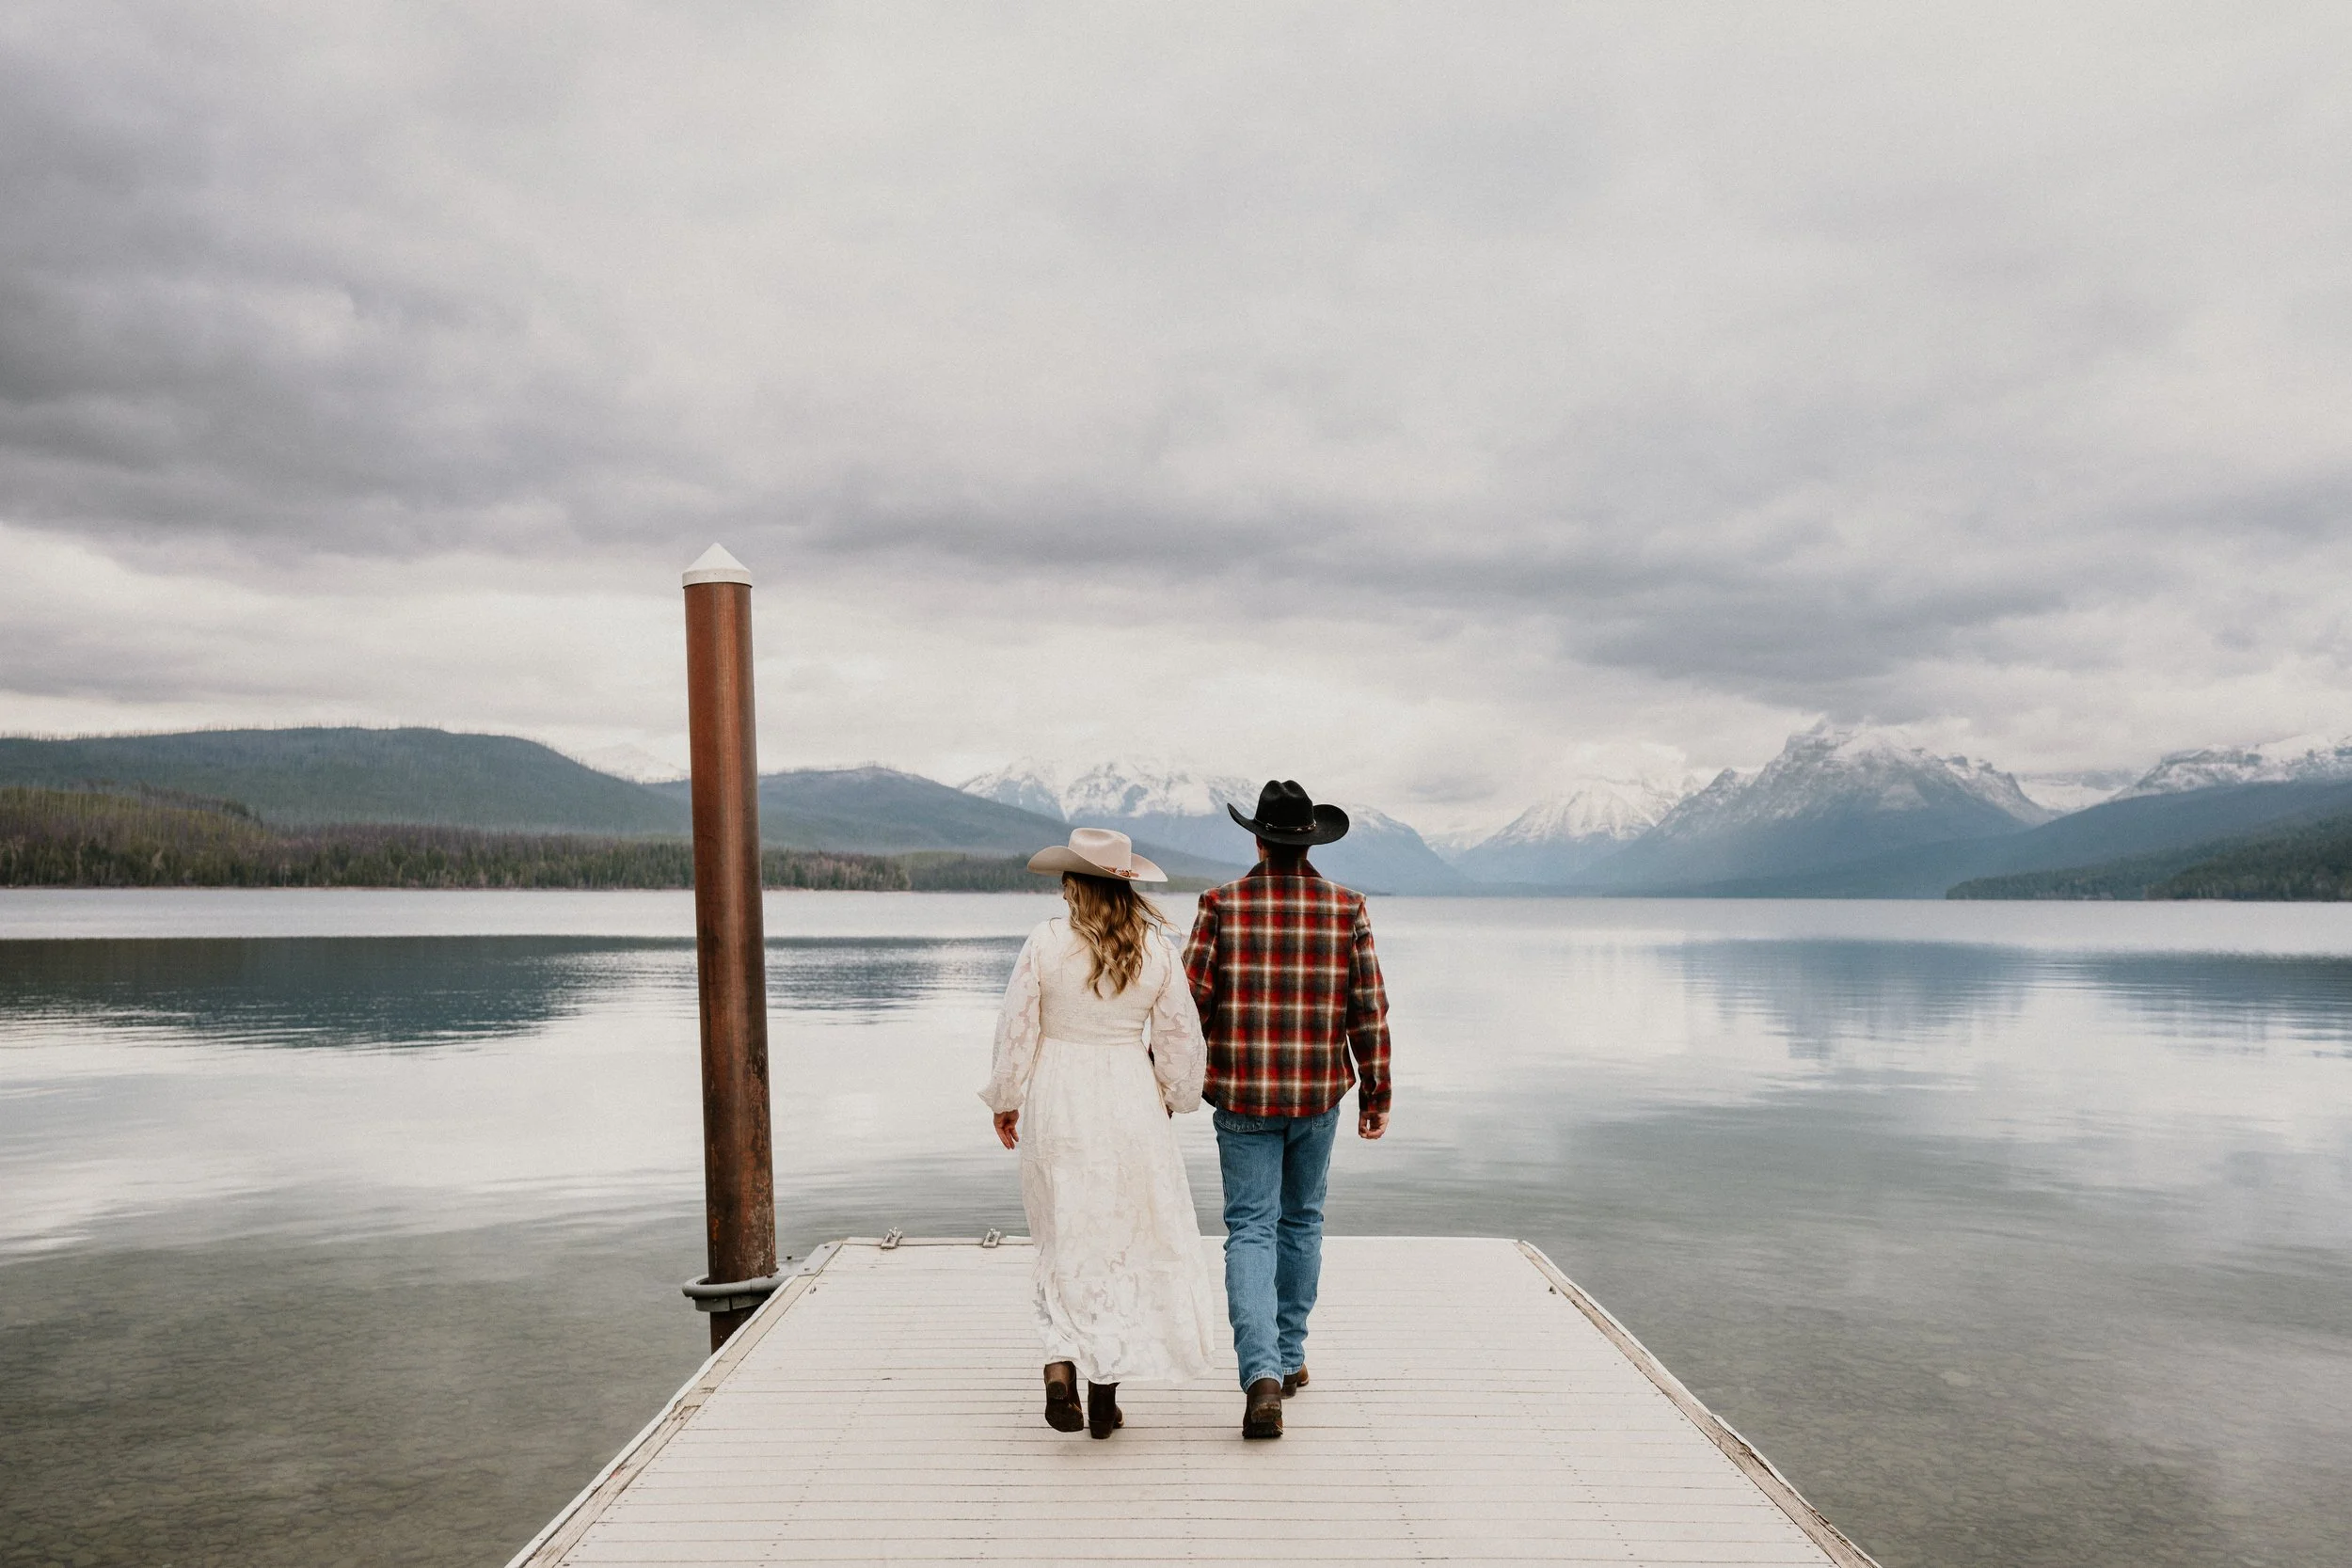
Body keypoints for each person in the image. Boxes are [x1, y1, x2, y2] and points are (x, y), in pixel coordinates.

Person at [980, 827, 1222, 1439]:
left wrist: (1006, 1098)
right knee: (1115, 1238)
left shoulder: (1045, 942)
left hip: (1059, 1093)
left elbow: (1016, 1029)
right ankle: (1104, 1393)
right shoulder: (1156, 948)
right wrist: (1174, 1096)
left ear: (1072, 883)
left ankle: (1060, 1362)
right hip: (1128, 1100)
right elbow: (1179, 1040)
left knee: (1061, 1231)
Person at [1184, 779, 1391, 1439]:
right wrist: (1376, 1091)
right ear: (1309, 840)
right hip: (1316, 1094)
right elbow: (1369, 1008)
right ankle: (1291, 1354)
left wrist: (1168, 1080)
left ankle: (1263, 1374)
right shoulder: (1346, 907)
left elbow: (1187, 1008)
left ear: (1256, 838)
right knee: (1301, 1220)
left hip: (1242, 1094)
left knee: (1249, 1227)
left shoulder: (1220, 905)